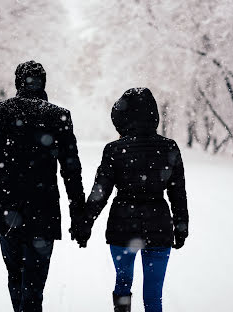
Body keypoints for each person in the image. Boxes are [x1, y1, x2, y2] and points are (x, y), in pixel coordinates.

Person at [0, 60, 86, 312]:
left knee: (15, 277)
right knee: (34, 285)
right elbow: (71, 171)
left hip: (6, 208)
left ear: (17, 83)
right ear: (43, 83)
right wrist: (79, 214)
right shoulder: (59, 116)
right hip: (43, 211)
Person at [77, 88, 189, 312]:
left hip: (122, 226)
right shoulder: (169, 147)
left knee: (123, 284)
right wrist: (181, 226)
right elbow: (178, 192)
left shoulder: (114, 150)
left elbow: (101, 191)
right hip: (159, 225)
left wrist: (85, 222)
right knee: (153, 296)